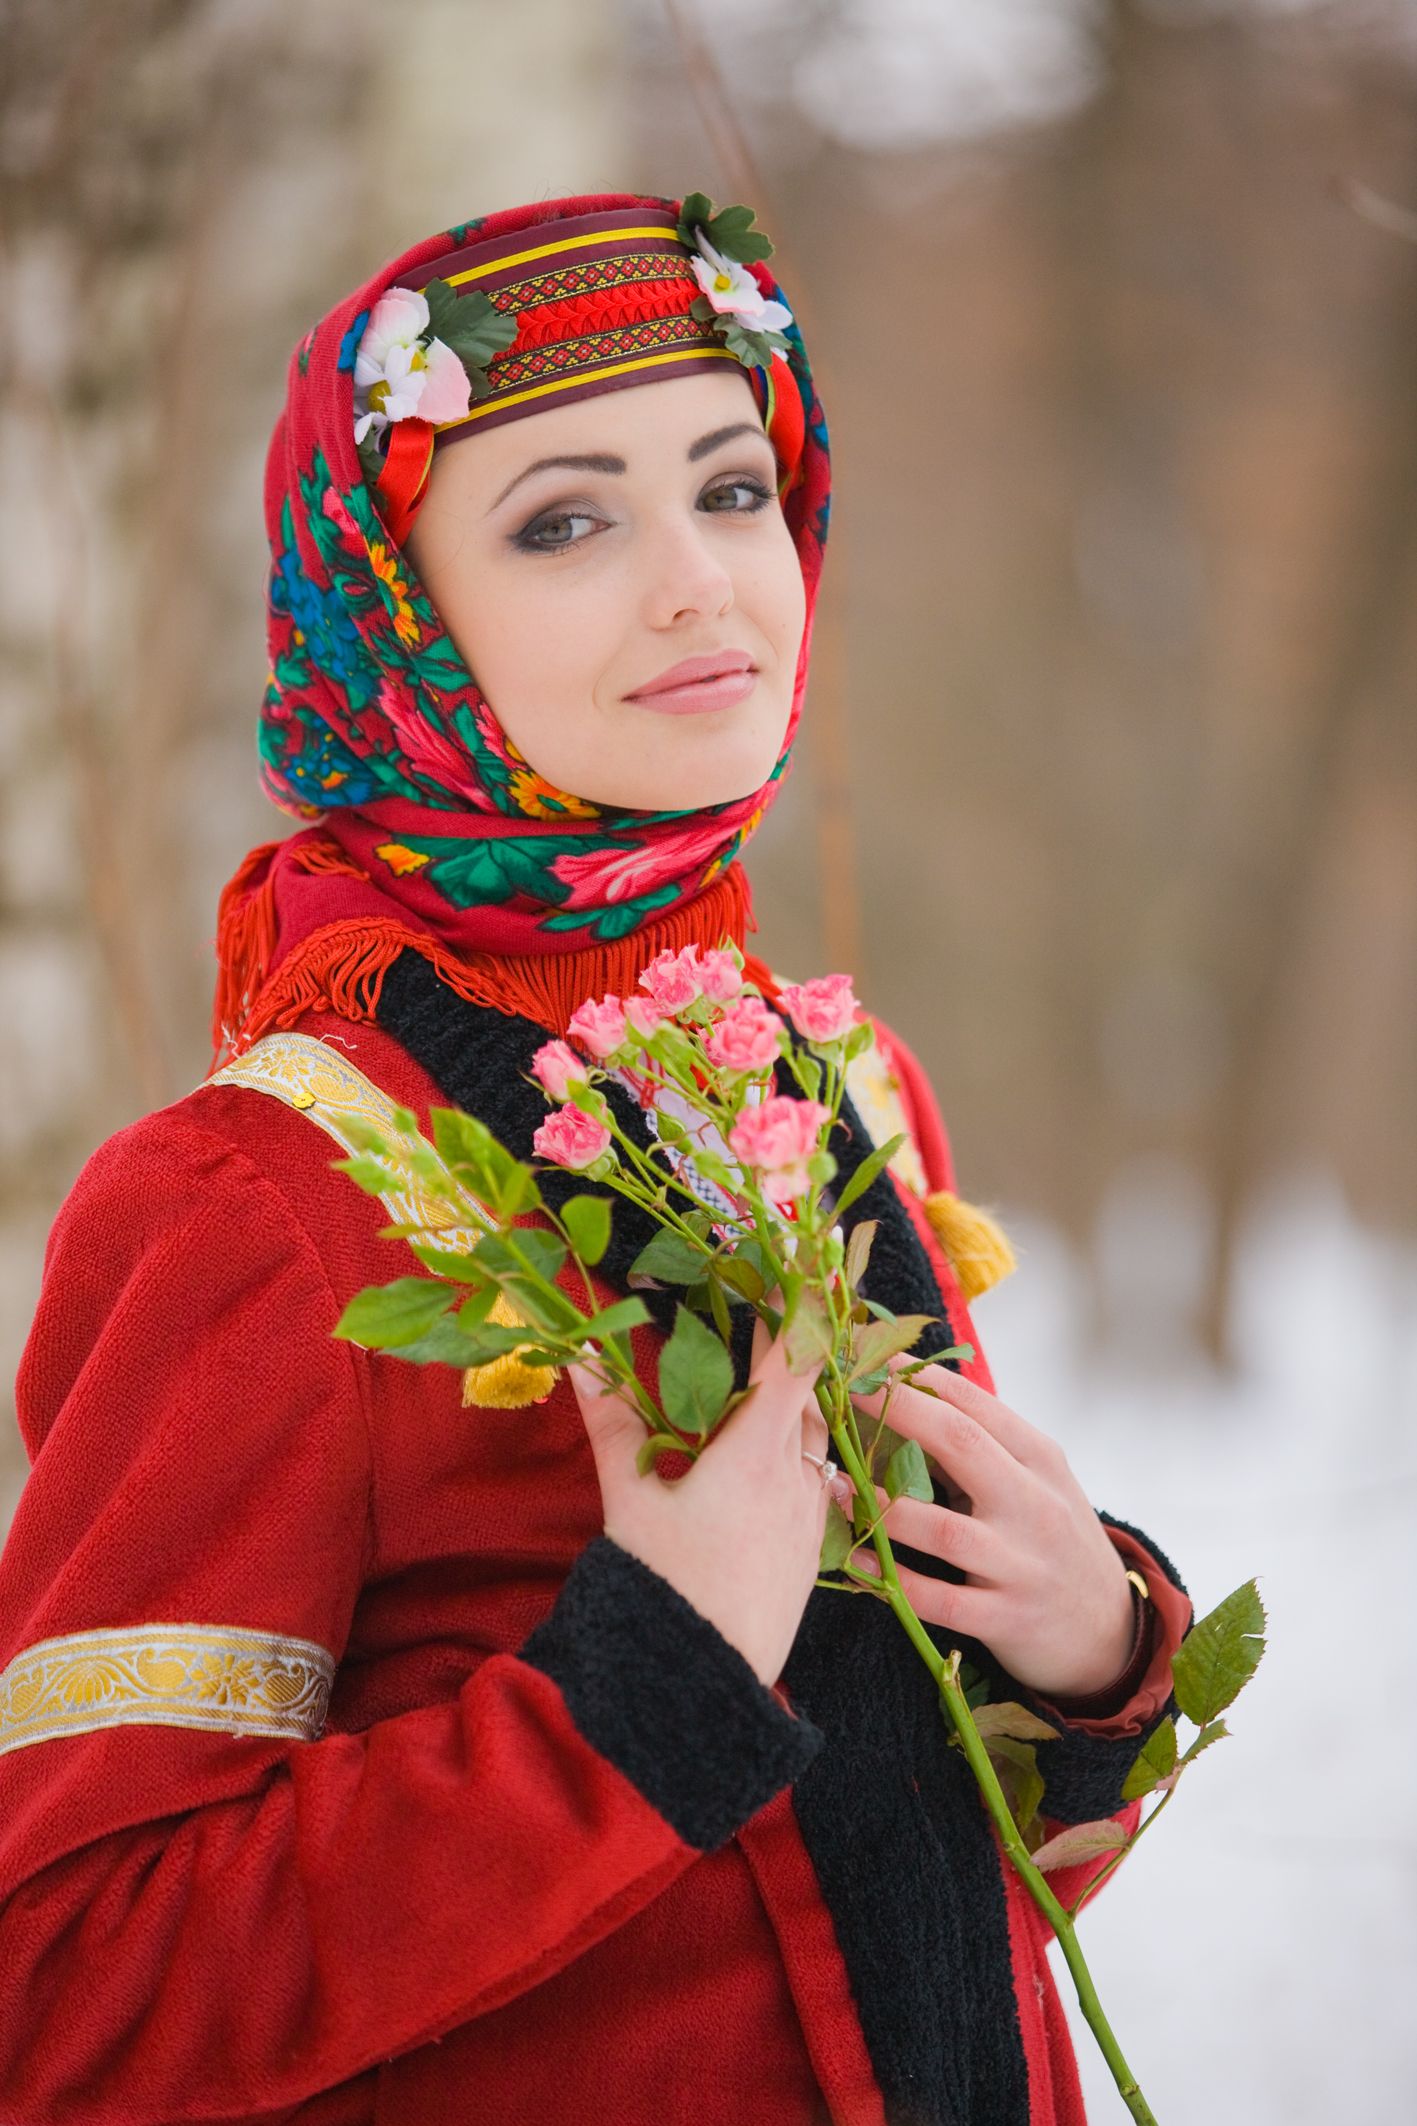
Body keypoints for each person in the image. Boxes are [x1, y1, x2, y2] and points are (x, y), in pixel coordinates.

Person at [0, 189, 1193, 2125]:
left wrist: (1083, 1661)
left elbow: (915, 1908)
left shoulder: (837, 1086)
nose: (699, 583)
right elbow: (65, 2013)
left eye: (734, 489)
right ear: (390, 607)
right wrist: (640, 1683)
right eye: (565, 520)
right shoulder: (255, 1195)